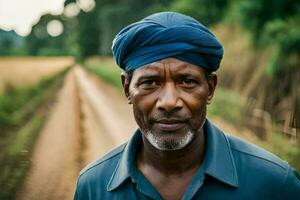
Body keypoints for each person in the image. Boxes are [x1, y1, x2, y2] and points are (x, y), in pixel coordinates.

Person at [74, 12, 300, 200]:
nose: (169, 102)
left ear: (210, 89)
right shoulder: (93, 187)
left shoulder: (274, 184)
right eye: (150, 83)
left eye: (187, 81)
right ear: (127, 89)